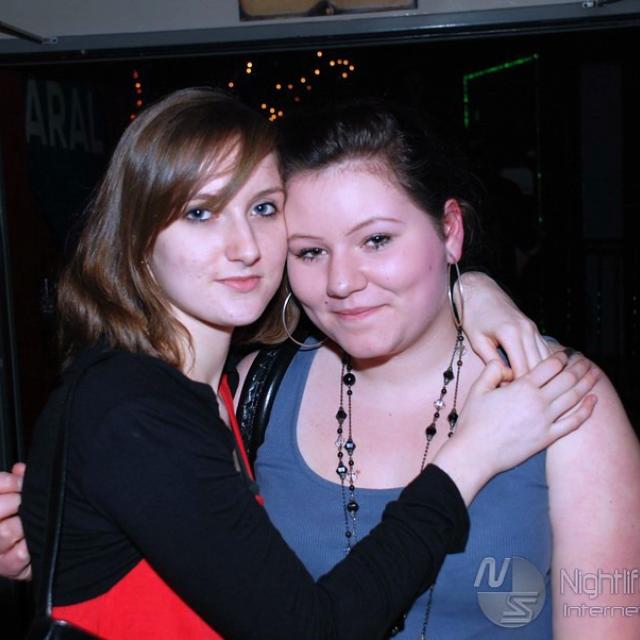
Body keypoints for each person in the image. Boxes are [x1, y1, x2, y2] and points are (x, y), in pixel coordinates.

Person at [0, 88, 597, 640]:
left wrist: (468, 289)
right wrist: (473, 453)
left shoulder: (216, 391)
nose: (246, 247)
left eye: (263, 208)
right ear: (136, 239)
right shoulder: (137, 411)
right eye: (201, 213)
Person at [231, 100, 639, 639]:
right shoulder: (254, 393)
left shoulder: (564, 397)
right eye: (310, 252)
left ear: (450, 231)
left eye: (376, 240)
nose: (341, 282)